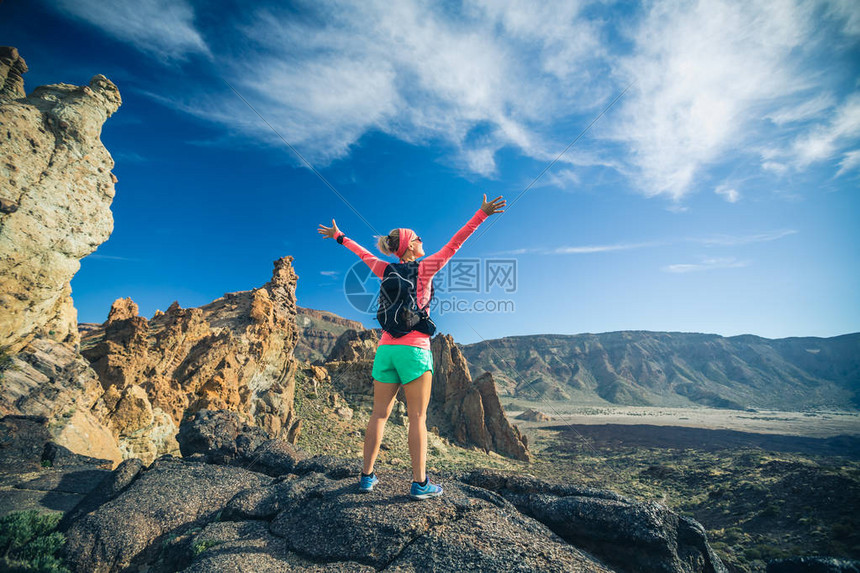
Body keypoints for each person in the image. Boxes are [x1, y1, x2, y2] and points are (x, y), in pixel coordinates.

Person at [318, 194, 505, 500]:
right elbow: (456, 242)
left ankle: (366, 477)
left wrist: (339, 236)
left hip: (386, 349)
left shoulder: (384, 269)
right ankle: (420, 484)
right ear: (411, 246)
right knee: (417, 418)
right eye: (418, 237)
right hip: (415, 350)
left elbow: (361, 253)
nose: (422, 239)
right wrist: (481, 214)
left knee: (378, 414)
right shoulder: (426, 267)